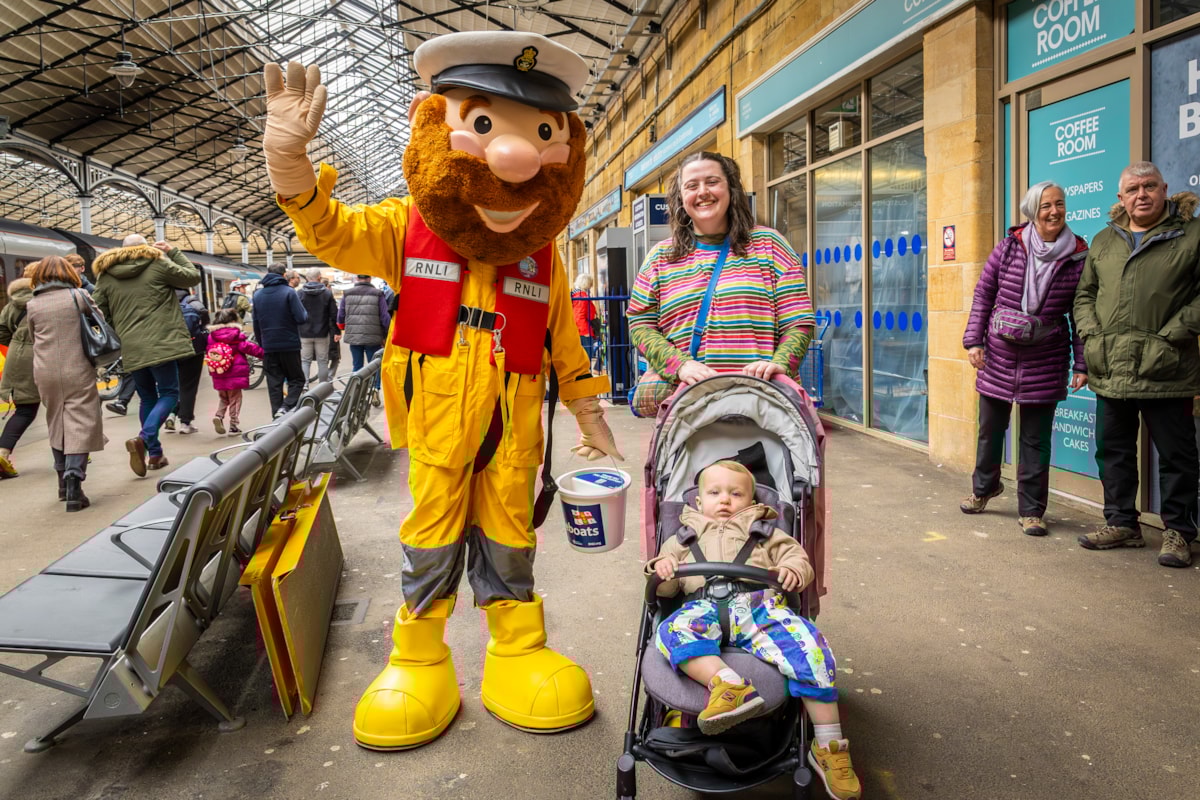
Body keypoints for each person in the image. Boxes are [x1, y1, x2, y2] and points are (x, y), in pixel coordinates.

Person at [264, 31, 621, 750]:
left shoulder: (541, 253)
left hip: (515, 430)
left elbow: (563, 341)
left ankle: (516, 647)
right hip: (436, 423)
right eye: (485, 124)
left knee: (511, 536)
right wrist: (289, 161)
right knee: (431, 533)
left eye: (542, 132)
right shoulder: (406, 226)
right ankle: (420, 654)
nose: (513, 156)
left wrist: (589, 410)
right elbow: (332, 232)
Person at [647, 461, 860, 800]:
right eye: (714, 493)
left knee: (812, 651)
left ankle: (828, 744)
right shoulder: (682, 538)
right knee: (671, 632)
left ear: (753, 501)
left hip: (758, 606)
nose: (725, 500)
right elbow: (665, 591)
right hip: (701, 607)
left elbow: (798, 558)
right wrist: (662, 570)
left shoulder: (767, 533)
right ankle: (728, 685)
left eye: (736, 493)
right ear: (699, 502)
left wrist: (793, 568)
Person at [1074, 161, 1200, 568]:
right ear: (1120, 198)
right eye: (1132, 189)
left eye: (1149, 186)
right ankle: (1122, 523)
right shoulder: (1104, 240)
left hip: (1167, 366)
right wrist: (1092, 334)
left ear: (1165, 189)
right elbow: (1084, 296)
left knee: (1177, 455)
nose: (1141, 194)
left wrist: (1173, 334)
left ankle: (1178, 531)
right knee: (1113, 450)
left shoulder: (1192, 235)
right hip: (1111, 367)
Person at [627, 151, 815, 417]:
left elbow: (799, 321)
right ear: (681, 197)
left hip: (762, 407)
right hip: (689, 412)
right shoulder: (660, 257)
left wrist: (781, 363)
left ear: (731, 189)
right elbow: (640, 324)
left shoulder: (770, 245)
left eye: (712, 182)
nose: (702, 192)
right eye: (692, 186)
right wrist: (679, 365)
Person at [960, 181, 1088, 537]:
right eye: (1046, 205)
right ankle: (984, 489)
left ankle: (1032, 510)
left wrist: (1082, 363)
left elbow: (1081, 314)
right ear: (1032, 211)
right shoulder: (1008, 248)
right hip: (998, 356)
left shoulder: (1078, 256)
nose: (1054, 211)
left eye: (1059, 204)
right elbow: (984, 295)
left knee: (1035, 439)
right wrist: (974, 341)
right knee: (989, 431)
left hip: (1046, 359)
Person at [93, 234, 201, 476]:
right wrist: (172, 251)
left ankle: (154, 454)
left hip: (131, 346)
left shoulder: (106, 274)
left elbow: (99, 311)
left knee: (147, 398)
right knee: (170, 393)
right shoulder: (158, 264)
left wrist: (118, 330)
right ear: (145, 247)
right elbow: (192, 277)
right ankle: (145, 436)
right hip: (162, 343)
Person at [24, 256, 105, 511]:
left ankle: (61, 482)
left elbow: (31, 335)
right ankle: (74, 479)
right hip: (77, 367)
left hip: (45, 371)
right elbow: (99, 321)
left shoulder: (33, 304)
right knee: (81, 421)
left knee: (56, 420)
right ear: (69, 273)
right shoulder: (79, 296)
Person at [252, 263, 308, 417]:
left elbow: (256, 323)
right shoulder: (289, 292)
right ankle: (286, 407)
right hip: (289, 344)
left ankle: (276, 417)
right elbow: (301, 318)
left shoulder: (257, 295)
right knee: (297, 380)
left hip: (269, 345)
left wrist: (263, 344)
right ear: (284, 275)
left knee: (274, 383)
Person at [0, 268, 39, 479]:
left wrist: (18, 345)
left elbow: (1, 332)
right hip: (46, 355)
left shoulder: (10, 305)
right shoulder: (45, 299)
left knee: (25, 410)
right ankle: (75, 454)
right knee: (61, 407)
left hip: (18, 357)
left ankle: (2, 453)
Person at [206, 308, 265, 436]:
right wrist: (264, 354)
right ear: (233, 320)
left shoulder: (211, 337)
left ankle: (219, 415)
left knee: (224, 398)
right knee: (235, 399)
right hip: (235, 374)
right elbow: (249, 347)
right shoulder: (235, 335)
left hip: (219, 373)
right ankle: (233, 425)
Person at [164, 287, 210, 435]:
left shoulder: (163, 303)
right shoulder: (193, 303)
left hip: (170, 349)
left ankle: (170, 415)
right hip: (193, 350)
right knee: (189, 386)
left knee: (173, 385)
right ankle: (185, 422)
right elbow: (205, 321)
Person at [337, 273, 388, 394]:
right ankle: (374, 389)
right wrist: (385, 335)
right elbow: (385, 318)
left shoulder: (347, 293)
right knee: (374, 366)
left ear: (357, 278)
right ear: (370, 278)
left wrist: (343, 327)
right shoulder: (378, 293)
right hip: (373, 337)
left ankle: (357, 391)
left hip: (354, 337)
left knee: (357, 365)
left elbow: (340, 316)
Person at [297, 267, 338, 384]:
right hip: (322, 332)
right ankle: (322, 387)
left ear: (307, 278)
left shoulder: (299, 293)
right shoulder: (327, 293)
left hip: (304, 333)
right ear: (319, 278)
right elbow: (333, 314)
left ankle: (304, 386)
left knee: (305, 361)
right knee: (323, 361)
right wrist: (336, 331)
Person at [571, 273, 599, 359]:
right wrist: (585, 331)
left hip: (582, 329)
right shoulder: (581, 296)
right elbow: (579, 316)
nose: (591, 286)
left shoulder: (577, 294)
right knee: (586, 358)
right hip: (583, 331)